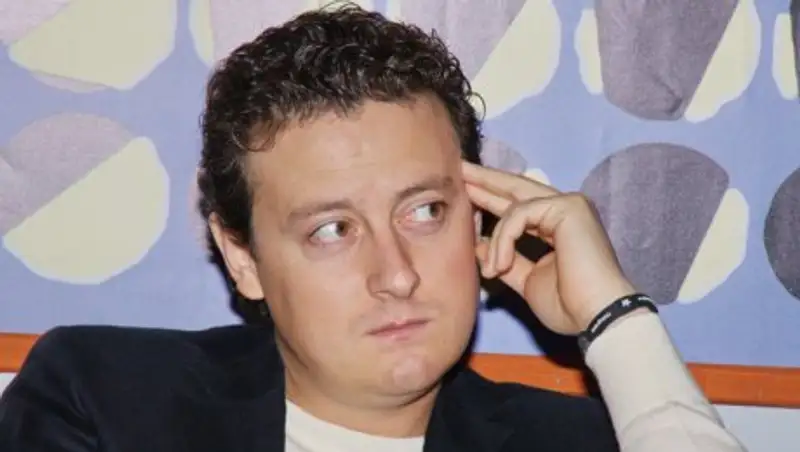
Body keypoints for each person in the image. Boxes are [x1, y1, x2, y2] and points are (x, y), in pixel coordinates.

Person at [0, 4, 746, 452]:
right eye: (332, 230)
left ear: (478, 213)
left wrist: (617, 319)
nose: (397, 274)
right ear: (242, 257)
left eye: (424, 212)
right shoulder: (104, 400)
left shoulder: (580, 441)